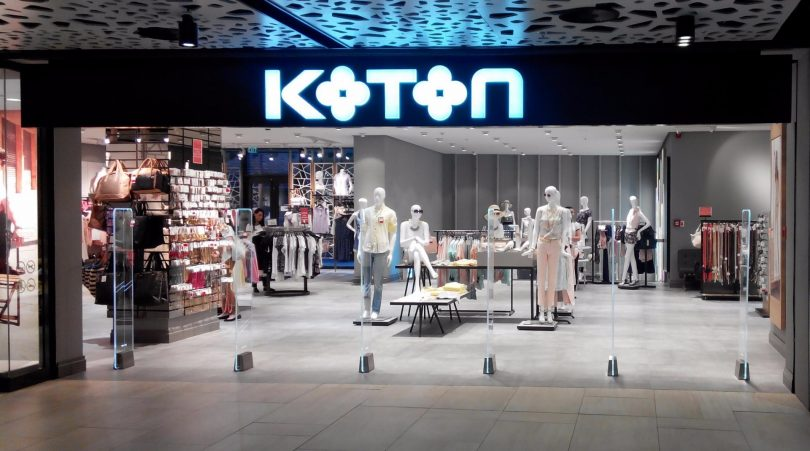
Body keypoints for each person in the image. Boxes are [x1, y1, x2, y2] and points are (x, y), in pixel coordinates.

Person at [251, 208, 265, 293]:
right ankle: (254, 285)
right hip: (253, 249)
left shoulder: (261, 226)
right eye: (259, 215)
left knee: (263, 267)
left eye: (262, 215)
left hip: (261, 249)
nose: (261, 217)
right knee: (255, 267)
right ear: (255, 214)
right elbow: (248, 236)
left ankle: (265, 285)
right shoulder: (250, 225)